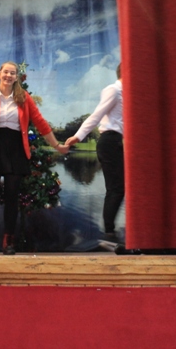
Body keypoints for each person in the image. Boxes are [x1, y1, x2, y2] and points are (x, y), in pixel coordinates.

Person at [0, 61, 70, 255]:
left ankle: (8, 241)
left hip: (17, 149)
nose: (8, 75)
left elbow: (40, 122)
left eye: (13, 73)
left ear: (16, 77)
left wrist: (57, 146)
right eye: (6, 72)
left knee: (12, 195)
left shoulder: (24, 97)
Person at [65, 64, 124, 243]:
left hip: (120, 143)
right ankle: (109, 233)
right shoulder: (114, 90)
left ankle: (112, 231)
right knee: (116, 188)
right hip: (110, 142)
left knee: (121, 187)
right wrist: (78, 136)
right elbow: (96, 115)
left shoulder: (128, 94)